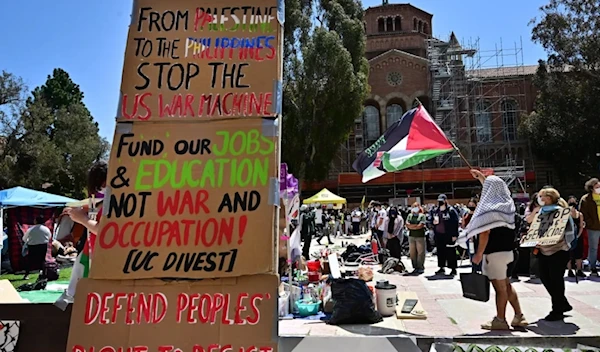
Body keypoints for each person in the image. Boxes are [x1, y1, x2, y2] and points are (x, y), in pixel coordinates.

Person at [467, 170, 527, 330]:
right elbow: (492, 188)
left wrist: (479, 253)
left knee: (500, 289)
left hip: (495, 253)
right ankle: (519, 316)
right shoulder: (507, 204)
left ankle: (500, 320)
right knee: (506, 285)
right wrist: (481, 178)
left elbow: (485, 232)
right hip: (509, 252)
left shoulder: (489, 209)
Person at [55, 161, 107, 310]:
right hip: (90, 250)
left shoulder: (109, 199)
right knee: (77, 289)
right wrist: (82, 216)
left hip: (99, 253)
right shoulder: (94, 200)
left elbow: (101, 230)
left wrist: (81, 218)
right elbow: (92, 223)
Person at [537, 188, 575, 321]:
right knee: (544, 277)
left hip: (559, 250)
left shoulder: (561, 212)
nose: (540, 199)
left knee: (556, 279)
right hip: (543, 250)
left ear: (549, 197)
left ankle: (557, 309)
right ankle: (562, 303)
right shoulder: (540, 212)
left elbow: (566, 231)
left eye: (542, 196)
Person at [433, 194, 459, 276]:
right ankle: (441, 267)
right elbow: (431, 219)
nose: (440, 202)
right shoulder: (436, 210)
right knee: (440, 251)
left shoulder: (451, 210)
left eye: (442, 201)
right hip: (439, 234)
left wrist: (455, 235)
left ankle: (453, 268)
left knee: (450, 251)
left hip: (448, 234)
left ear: (445, 201)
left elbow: (455, 222)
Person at [579, 178, 600, 276]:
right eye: (597, 187)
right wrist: (590, 222)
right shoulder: (586, 199)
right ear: (591, 188)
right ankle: (593, 267)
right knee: (593, 247)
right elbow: (583, 213)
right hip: (593, 227)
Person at [22, 215, 52, 280]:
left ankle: (26, 275)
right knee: (42, 260)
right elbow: (49, 237)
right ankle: (43, 273)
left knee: (30, 261)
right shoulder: (46, 229)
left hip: (32, 246)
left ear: (36, 221)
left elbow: (24, 238)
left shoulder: (31, 229)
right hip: (43, 246)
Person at [567, 196, 586, 278]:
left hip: (573, 235)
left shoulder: (577, 214)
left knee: (575, 254)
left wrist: (576, 236)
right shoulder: (570, 214)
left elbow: (581, 226)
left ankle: (574, 270)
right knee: (573, 254)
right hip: (573, 236)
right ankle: (574, 270)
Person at [406, 203, 427, 274]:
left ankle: (420, 266)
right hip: (411, 236)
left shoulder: (422, 216)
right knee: (412, 252)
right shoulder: (410, 215)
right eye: (413, 206)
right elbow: (407, 225)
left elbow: (420, 225)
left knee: (420, 252)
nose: (415, 208)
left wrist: (412, 227)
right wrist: (415, 226)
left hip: (420, 236)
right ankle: (415, 266)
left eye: (416, 206)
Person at [462, 198, 481, 272]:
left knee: (477, 251)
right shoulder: (466, 214)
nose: (471, 206)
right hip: (469, 237)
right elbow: (463, 226)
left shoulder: (478, 214)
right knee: (471, 253)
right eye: (470, 205)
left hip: (476, 236)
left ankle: (479, 268)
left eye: (473, 205)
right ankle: (474, 268)